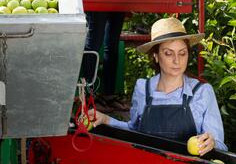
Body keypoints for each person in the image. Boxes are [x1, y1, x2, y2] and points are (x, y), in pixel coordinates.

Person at [88, 17, 227, 155]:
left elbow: (220, 147)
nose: (177, 60)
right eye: (168, 53)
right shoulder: (143, 89)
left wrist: (211, 143)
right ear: (155, 55)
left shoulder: (201, 92)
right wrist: (106, 119)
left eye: (182, 53)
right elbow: (135, 133)